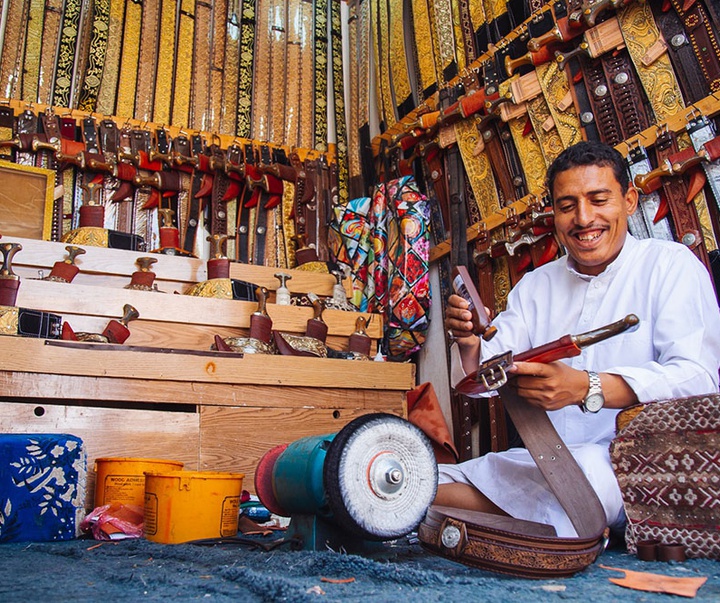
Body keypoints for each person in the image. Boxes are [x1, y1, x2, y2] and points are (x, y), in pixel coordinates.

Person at [437, 141, 720, 537]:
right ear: (554, 214)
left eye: (599, 200)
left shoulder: (670, 266)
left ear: (630, 200)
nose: (584, 218)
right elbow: (487, 375)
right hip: (545, 461)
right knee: (439, 472)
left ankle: (419, 504)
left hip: (640, 465)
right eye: (567, 206)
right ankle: (427, 496)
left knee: (584, 482)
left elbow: (698, 378)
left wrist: (587, 387)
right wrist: (469, 345)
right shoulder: (537, 286)